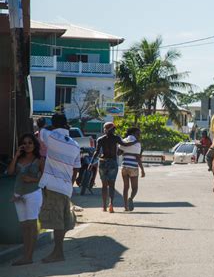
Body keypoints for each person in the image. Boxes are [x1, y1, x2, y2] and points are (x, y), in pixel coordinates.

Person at [38, 113, 81, 263]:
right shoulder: (75, 144)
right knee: (61, 222)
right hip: (66, 187)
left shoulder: (50, 136)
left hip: (53, 185)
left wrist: (51, 126)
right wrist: (70, 183)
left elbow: (40, 130)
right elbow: (76, 169)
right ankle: (58, 252)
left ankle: (58, 253)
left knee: (56, 222)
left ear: (54, 124)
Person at [6, 134, 44, 266]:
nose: (27, 145)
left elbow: (45, 178)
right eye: (25, 143)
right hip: (18, 194)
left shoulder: (39, 159)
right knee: (24, 226)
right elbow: (10, 172)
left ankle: (29, 256)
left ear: (34, 145)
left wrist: (32, 179)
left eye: (30, 143)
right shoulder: (18, 158)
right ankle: (25, 255)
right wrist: (16, 156)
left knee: (32, 225)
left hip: (33, 193)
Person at [91, 122, 137, 213]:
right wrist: (135, 141)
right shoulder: (116, 138)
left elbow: (96, 152)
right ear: (112, 130)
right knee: (111, 185)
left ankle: (104, 206)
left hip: (103, 162)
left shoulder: (100, 139)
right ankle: (111, 204)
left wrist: (90, 163)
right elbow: (125, 145)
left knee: (104, 185)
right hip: (112, 162)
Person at [118, 127, 145, 211]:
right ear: (133, 133)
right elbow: (137, 158)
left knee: (125, 187)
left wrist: (126, 150)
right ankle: (131, 198)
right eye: (138, 133)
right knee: (135, 188)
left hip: (124, 166)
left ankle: (125, 207)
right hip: (133, 167)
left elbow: (118, 153)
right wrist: (142, 170)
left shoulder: (123, 141)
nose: (139, 135)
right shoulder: (137, 143)